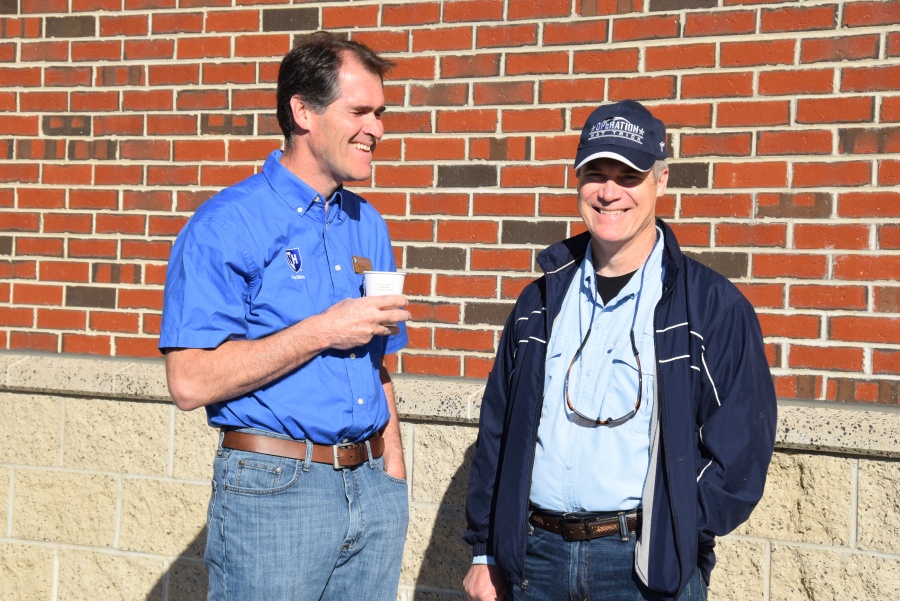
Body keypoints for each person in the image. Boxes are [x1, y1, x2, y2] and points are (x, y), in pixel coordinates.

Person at [462, 100, 777, 601]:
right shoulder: (538, 302)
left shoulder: (711, 307)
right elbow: (497, 432)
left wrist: (678, 528)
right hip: (535, 562)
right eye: (596, 174)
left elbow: (741, 450)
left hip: (641, 566)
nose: (609, 193)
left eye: (629, 176)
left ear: (661, 180)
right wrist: (485, 550)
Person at [159, 32, 411, 601]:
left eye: (380, 113)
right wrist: (323, 330)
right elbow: (189, 381)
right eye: (359, 112)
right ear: (303, 112)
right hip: (276, 490)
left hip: (372, 486)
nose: (376, 129)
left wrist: (393, 472)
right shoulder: (226, 224)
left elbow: (379, 363)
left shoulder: (367, 223)